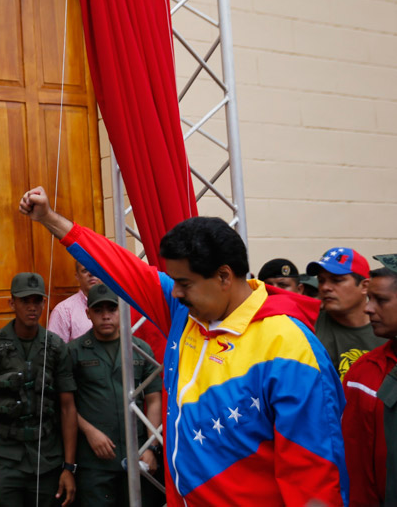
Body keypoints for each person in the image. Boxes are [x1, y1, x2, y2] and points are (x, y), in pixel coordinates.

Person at [18, 186, 348, 506]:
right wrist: (50, 219)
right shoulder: (186, 312)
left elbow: (315, 480)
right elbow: (121, 267)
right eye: (173, 281)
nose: (173, 292)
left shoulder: (289, 349)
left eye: (184, 283)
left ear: (223, 277)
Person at [68, 283, 162, 507]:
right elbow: (65, 404)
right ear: (88, 313)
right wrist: (89, 432)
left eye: (112, 309)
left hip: (137, 456)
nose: (106, 316)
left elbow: (154, 399)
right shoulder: (74, 351)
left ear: (122, 311)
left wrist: (151, 447)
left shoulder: (140, 349)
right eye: (99, 310)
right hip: (95, 461)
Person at [0, 272, 77, 507]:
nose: (32, 308)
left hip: (47, 459)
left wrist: (69, 467)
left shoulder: (57, 347)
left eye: (37, 301)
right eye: (24, 301)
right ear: (12, 303)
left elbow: (68, 408)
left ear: (44, 303)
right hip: (6, 459)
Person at [341, 257, 397, 506]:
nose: (368, 309)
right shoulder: (363, 374)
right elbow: (357, 466)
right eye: (368, 298)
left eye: (381, 300)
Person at [307, 247, 386, 379]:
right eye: (321, 280)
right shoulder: (309, 328)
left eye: (337, 280)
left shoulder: (387, 330)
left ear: (365, 286)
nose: (325, 287)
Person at [48, 262, 101, 342]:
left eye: (95, 268)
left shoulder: (118, 306)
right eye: (85, 270)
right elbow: (54, 351)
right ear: (77, 276)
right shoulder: (63, 311)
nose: (91, 273)